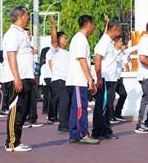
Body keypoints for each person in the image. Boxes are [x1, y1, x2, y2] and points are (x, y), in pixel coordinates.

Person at [1, 6, 35, 152]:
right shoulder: (12, 34)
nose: (28, 18)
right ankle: (11, 142)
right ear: (21, 16)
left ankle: (17, 140)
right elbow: (11, 56)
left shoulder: (22, 33)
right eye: (27, 15)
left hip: (25, 77)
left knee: (24, 109)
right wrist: (17, 78)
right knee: (16, 109)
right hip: (16, 78)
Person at [67, 15, 99, 145]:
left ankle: (75, 134)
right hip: (78, 80)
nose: (94, 27)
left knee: (76, 108)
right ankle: (82, 134)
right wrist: (90, 79)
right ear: (88, 24)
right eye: (93, 24)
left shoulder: (80, 39)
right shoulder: (80, 39)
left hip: (78, 80)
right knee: (81, 108)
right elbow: (82, 60)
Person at [92, 19, 123, 140]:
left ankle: (99, 130)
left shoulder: (108, 41)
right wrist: (99, 78)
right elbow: (98, 58)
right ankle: (103, 131)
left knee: (102, 105)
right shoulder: (105, 41)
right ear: (114, 29)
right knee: (104, 106)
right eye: (119, 31)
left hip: (109, 78)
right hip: (105, 78)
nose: (119, 34)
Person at [47, 15, 70, 132]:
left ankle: (66, 123)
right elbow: (53, 40)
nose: (66, 40)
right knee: (64, 101)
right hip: (58, 80)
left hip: (66, 81)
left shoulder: (67, 52)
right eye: (64, 38)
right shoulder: (55, 50)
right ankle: (62, 125)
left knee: (67, 102)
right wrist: (53, 25)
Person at [112, 39, 131, 121]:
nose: (122, 43)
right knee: (110, 98)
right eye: (120, 41)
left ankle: (117, 114)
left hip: (118, 78)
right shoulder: (112, 52)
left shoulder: (121, 53)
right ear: (115, 43)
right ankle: (110, 116)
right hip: (111, 79)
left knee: (123, 94)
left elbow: (126, 62)